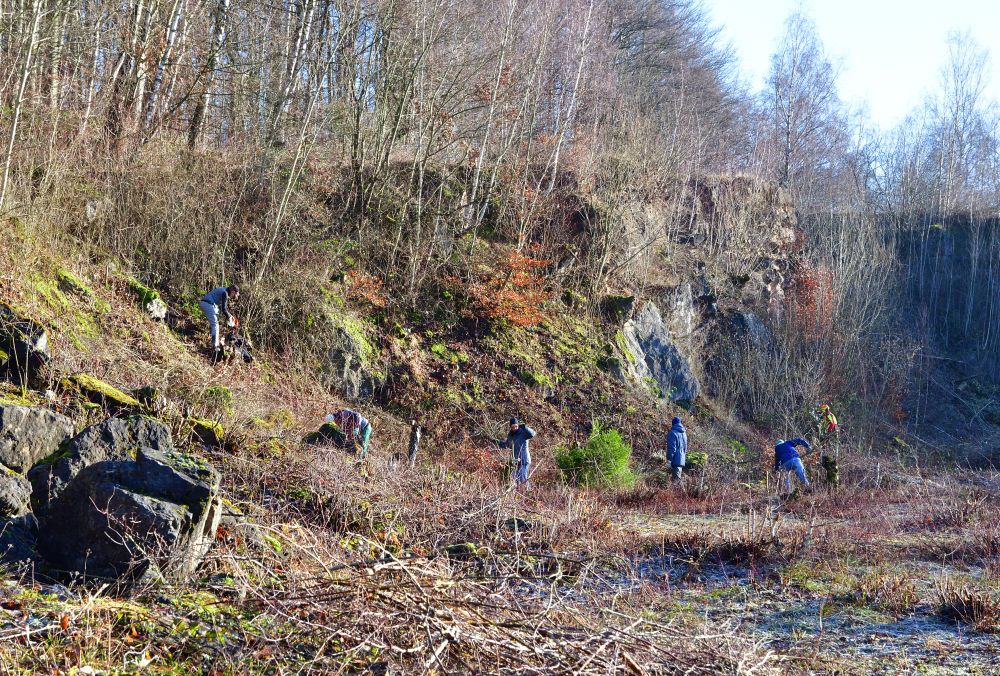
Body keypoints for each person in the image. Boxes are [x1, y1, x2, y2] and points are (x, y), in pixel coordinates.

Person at [200, 285, 240, 357]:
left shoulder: (224, 291)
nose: (232, 297)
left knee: (215, 319)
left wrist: (230, 316)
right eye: (234, 295)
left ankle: (213, 339)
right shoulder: (224, 293)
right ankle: (215, 346)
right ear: (233, 291)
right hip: (208, 304)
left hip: (208, 304)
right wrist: (230, 318)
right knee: (215, 324)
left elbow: (223, 309)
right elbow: (224, 309)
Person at [498, 418, 535, 486]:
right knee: (515, 477)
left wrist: (526, 427)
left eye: (516, 426)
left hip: (524, 459)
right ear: (510, 427)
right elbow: (507, 445)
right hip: (516, 460)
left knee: (522, 477)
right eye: (513, 427)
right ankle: (518, 493)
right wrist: (498, 442)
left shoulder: (523, 432)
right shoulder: (510, 435)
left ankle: (527, 492)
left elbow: (532, 434)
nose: (515, 428)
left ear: (518, 425)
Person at [666, 416, 687, 483]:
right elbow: (685, 449)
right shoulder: (684, 434)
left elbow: (671, 448)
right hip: (681, 460)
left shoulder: (672, 433)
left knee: (675, 483)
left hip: (674, 460)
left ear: (673, 424)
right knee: (677, 481)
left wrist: (669, 460)